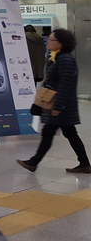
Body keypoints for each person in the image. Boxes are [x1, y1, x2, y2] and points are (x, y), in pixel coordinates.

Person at [18, 29, 90, 174]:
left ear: (61, 43)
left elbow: (66, 85)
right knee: (70, 133)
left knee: (49, 132)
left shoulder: (65, 60)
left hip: (61, 105)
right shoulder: (56, 57)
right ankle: (84, 163)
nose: (48, 42)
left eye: (52, 40)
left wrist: (58, 106)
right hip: (60, 104)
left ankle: (34, 162)